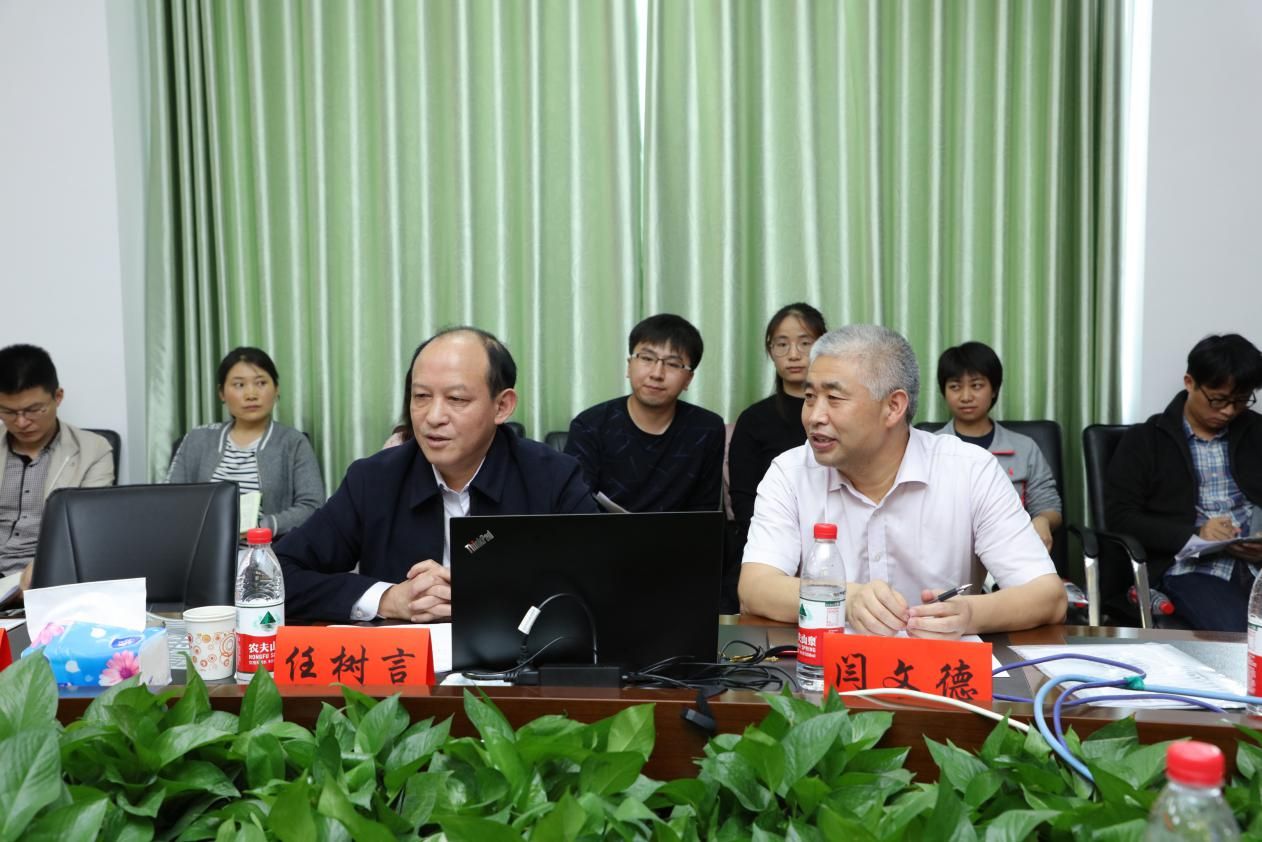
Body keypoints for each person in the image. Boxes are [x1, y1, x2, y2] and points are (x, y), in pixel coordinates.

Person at [738, 325, 1066, 637]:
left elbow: (1048, 597)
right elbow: (755, 587)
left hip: (938, 666)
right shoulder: (790, 472)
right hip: (827, 668)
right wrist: (847, 600)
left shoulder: (970, 470)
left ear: (893, 407)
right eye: (810, 397)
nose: (814, 416)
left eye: (834, 398)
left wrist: (969, 614)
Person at [276, 327, 598, 622]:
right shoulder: (373, 480)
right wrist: (387, 598)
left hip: (516, 662)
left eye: (456, 399)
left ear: (502, 406)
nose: (433, 417)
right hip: (404, 665)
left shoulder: (552, 477)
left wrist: (487, 595)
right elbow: (275, 576)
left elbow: (599, 586)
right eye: (421, 397)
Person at [1106, 333, 1262, 631]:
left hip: (1256, 567)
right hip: (1193, 569)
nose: (1229, 411)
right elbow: (1121, 517)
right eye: (1218, 400)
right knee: (1238, 634)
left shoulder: (1257, 432)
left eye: (1241, 401)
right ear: (1190, 382)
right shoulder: (1145, 440)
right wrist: (1196, 533)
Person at [565, 314, 725, 512]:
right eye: (647, 359)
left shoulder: (706, 429)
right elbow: (576, 510)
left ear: (688, 379)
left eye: (673, 364)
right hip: (601, 532)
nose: (657, 374)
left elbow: (704, 514)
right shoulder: (590, 425)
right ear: (629, 366)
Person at [167, 347, 325, 538]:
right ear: (221, 393)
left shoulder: (293, 442)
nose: (251, 394)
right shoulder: (197, 439)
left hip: (268, 547)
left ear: (276, 388)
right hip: (203, 546)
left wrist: (263, 526)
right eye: (239, 385)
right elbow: (170, 499)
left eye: (261, 383)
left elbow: (312, 505)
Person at [1, 344, 114, 586]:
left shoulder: (93, 450)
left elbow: (88, 529)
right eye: (8, 412)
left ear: (58, 397)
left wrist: (45, 568)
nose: (21, 422)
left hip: (51, 574)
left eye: (33, 410)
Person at [933, 341, 1063, 551]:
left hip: (1011, 553)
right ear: (944, 392)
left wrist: (1043, 520)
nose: (966, 397)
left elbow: (1049, 506)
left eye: (976, 386)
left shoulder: (1024, 448)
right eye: (955, 387)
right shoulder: (930, 449)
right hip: (946, 555)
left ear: (994, 390)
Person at [729, 303, 827, 539]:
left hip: (834, 536)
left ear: (823, 346)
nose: (793, 355)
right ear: (770, 351)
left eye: (805, 343)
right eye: (782, 344)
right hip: (769, 538)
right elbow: (744, 502)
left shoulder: (840, 413)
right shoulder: (753, 420)